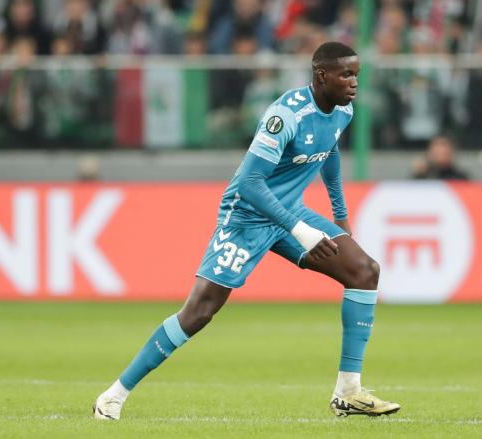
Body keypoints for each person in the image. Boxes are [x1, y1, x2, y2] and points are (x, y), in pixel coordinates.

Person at [93, 41, 401, 420]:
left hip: (289, 214)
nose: (354, 82)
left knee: (365, 271)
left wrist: (339, 216)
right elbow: (251, 183)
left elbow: (330, 152)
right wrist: (300, 230)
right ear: (321, 75)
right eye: (346, 74)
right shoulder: (286, 115)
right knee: (199, 312)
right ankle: (113, 395)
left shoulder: (343, 110)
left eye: (356, 74)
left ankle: (348, 391)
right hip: (247, 217)